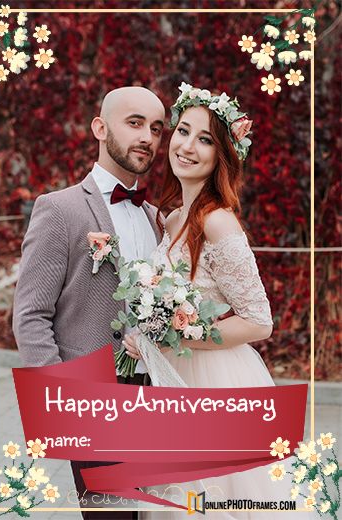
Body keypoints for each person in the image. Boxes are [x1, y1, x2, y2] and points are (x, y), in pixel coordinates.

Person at [123, 84, 315, 519]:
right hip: (171, 382)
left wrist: (174, 335)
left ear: (221, 155)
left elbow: (259, 321)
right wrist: (147, 334)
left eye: (205, 139)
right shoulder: (172, 218)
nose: (187, 146)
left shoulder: (218, 222)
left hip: (216, 382)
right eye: (183, 131)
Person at [13, 86, 165, 520]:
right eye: (134, 123)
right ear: (100, 128)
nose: (148, 138)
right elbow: (30, 315)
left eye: (156, 129)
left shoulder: (158, 218)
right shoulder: (59, 210)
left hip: (156, 394)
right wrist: (65, 405)